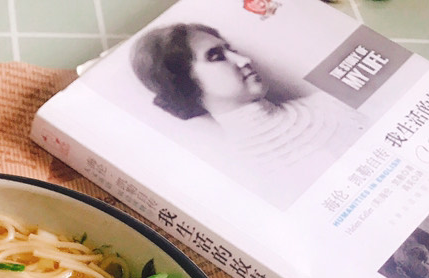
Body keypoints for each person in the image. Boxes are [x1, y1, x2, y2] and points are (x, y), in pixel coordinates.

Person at [129, 23, 366, 204]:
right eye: (216, 56)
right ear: (183, 83)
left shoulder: (330, 104)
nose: (244, 60)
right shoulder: (237, 177)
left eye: (230, 50)